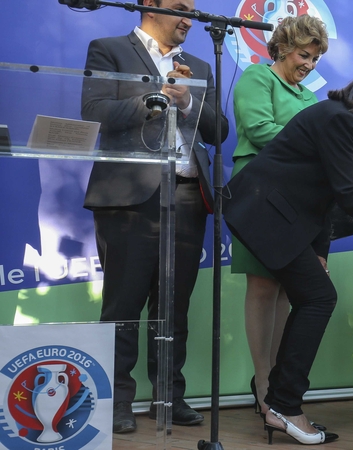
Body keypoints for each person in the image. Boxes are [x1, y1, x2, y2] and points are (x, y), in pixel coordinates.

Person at [223, 66, 353, 445]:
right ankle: (283, 404)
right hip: (266, 214)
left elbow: (325, 196)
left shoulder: (341, 120)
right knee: (318, 297)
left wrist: (319, 252)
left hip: (282, 217)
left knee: (314, 295)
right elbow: (348, 196)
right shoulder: (340, 121)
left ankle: (279, 401)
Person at [80, 0, 229, 434]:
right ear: (148, 6)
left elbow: (217, 131)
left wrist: (187, 106)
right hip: (129, 197)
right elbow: (95, 110)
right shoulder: (108, 49)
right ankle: (116, 402)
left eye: (193, 12)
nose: (189, 20)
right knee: (123, 306)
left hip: (185, 195)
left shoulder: (199, 63)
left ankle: (169, 397)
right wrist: (157, 97)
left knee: (175, 307)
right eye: (181, 9)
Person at [230, 14, 329, 423]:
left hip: (300, 199)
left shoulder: (310, 97)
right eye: (304, 54)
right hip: (260, 195)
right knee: (262, 286)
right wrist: (312, 150)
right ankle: (263, 383)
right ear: (283, 47)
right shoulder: (257, 77)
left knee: (290, 291)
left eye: (316, 57)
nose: (309, 63)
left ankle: (277, 383)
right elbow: (259, 129)